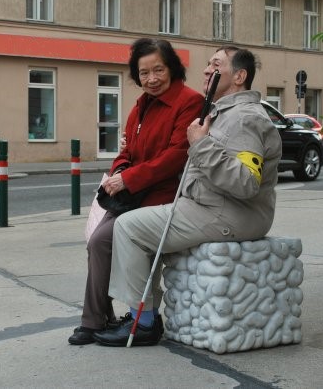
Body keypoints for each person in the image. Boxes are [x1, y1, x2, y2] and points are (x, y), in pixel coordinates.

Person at [93, 45, 283, 347]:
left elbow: (246, 183)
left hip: (230, 213)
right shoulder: (223, 112)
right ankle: (141, 315)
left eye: (216, 65)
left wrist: (200, 144)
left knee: (128, 228)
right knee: (134, 224)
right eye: (208, 64)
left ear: (239, 76)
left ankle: (143, 323)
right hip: (210, 206)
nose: (207, 70)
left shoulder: (247, 119)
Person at [68, 38, 204, 345]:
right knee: (96, 242)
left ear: (172, 68)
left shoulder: (188, 101)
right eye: (144, 73)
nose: (152, 79)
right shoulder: (140, 106)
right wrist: (118, 171)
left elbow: (176, 155)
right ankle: (97, 318)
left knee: (103, 239)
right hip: (131, 195)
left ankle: (98, 321)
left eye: (158, 69)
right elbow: (127, 150)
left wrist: (128, 178)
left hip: (162, 196)